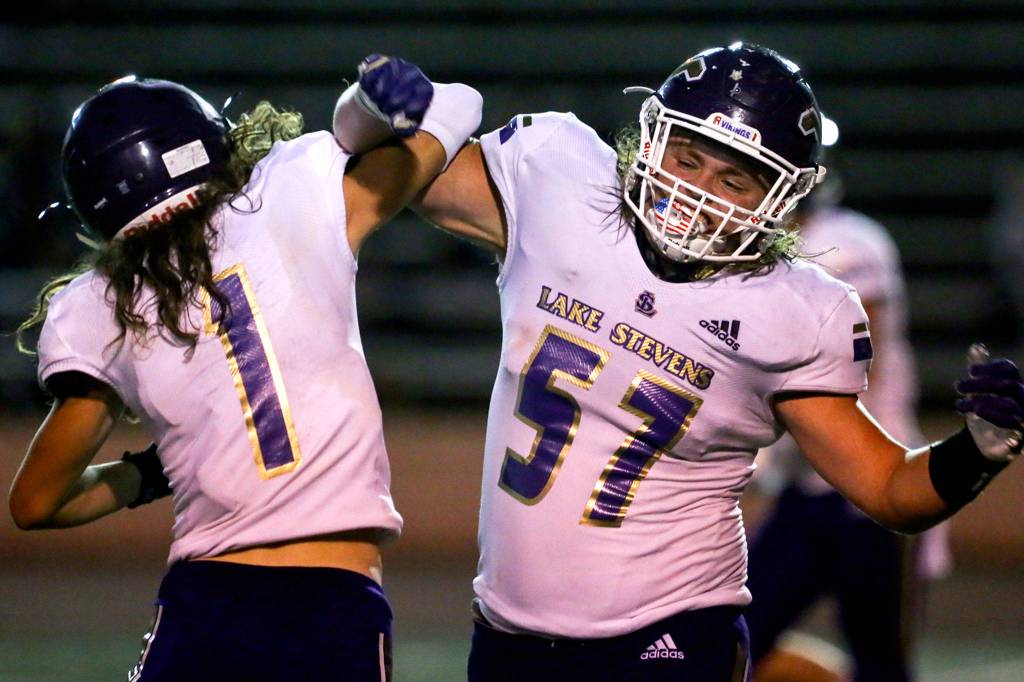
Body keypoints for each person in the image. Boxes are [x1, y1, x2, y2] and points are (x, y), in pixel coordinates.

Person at [394, 42, 1022, 681]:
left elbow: (889, 488)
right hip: (507, 631)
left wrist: (978, 450)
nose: (697, 192)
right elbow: (417, 183)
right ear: (649, 139)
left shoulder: (793, 310)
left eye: (732, 179)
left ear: (779, 199)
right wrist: (393, 119)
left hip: (669, 632)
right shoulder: (563, 186)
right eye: (687, 158)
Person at [8, 56, 481, 681]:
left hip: (201, 607)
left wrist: (147, 476)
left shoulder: (101, 303)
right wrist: (361, 109)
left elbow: (35, 502)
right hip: (330, 602)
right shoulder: (288, 193)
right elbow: (454, 105)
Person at [745, 130, 951, 682]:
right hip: (806, 490)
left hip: (871, 485)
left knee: (880, 658)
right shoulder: (755, 252)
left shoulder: (850, 240)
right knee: (740, 635)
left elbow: (858, 363)